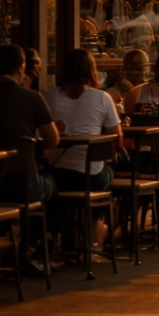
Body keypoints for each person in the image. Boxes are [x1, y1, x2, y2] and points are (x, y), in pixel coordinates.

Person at [0, 45, 60, 275]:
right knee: (50, 185)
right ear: (21, 68)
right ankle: (29, 249)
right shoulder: (32, 97)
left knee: (6, 192)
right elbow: (52, 139)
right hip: (20, 185)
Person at [46, 49, 122, 247]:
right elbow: (117, 138)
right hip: (91, 177)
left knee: (66, 184)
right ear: (92, 70)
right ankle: (92, 230)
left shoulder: (49, 97)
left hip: (58, 173)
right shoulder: (103, 98)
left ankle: (60, 236)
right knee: (107, 173)